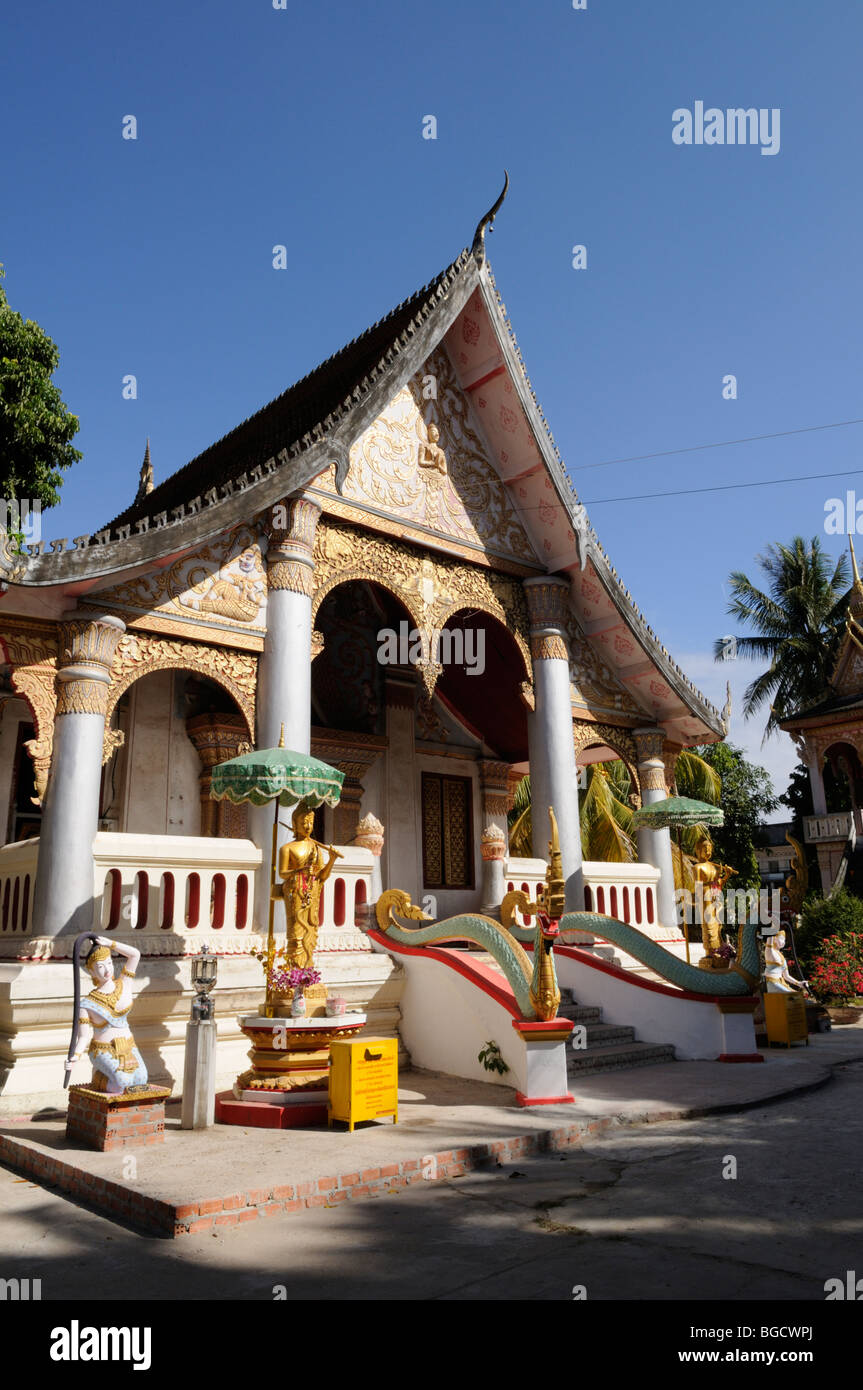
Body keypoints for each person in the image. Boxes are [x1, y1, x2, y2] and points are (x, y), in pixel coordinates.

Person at [70, 936, 148, 1094]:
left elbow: (135, 955)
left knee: (141, 1079)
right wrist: (75, 1056)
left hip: (128, 1045)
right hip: (102, 1050)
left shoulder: (124, 983)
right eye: (100, 966)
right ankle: (99, 1078)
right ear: (91, 971)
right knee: (122, 1084)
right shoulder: (87, 1003)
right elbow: (83, 1036)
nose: (106, 970)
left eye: (109, 963)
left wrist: (111, 944)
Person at [278, 806, 341, 969]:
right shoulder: (287, 848)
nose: (307, 826)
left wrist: (331, 860)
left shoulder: (316, 848)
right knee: (296, 933)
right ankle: (294, 971)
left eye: (310, 822)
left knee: (310, 932)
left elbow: (322, 877)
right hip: (295, 892)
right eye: (303, 822)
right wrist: (300, 870)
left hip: (311, 893)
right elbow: (283, 873)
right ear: (294, 823)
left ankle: (307, 969)